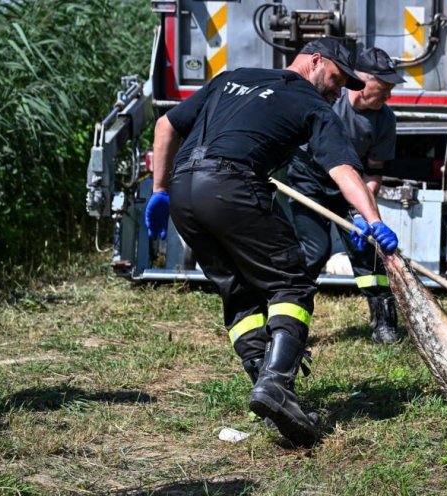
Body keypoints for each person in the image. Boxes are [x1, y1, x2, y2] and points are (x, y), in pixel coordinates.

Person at [143, 38, 399, 446]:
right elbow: (344, 169)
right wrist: (373, 219)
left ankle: (272, 391)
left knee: (239, 294)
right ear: (315, 61)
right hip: (233, 188)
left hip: (185, 193)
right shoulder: (313, 104)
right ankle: (276, 383)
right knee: (291, 284)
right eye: (337, 78)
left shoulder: (232, 78)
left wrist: (159, 190)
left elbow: (165, 125)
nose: (340, 90)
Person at [287, 47, 406, 345]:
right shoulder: (330, 101)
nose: (388, 96)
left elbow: (373, 173)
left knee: (369, 253)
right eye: (385, 88)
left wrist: (366, 217)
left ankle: (384, 324)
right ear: (364, 80)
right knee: (314, 250)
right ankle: (289, 326)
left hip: (350, 189)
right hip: (309, 181)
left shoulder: (384, 121)